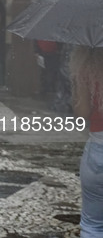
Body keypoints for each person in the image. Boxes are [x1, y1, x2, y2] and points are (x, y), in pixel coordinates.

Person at [69, 46, 103, 237]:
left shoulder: (88, 69)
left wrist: (78, 85)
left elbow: (82, 113)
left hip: (97, 153)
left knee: (93, 226)